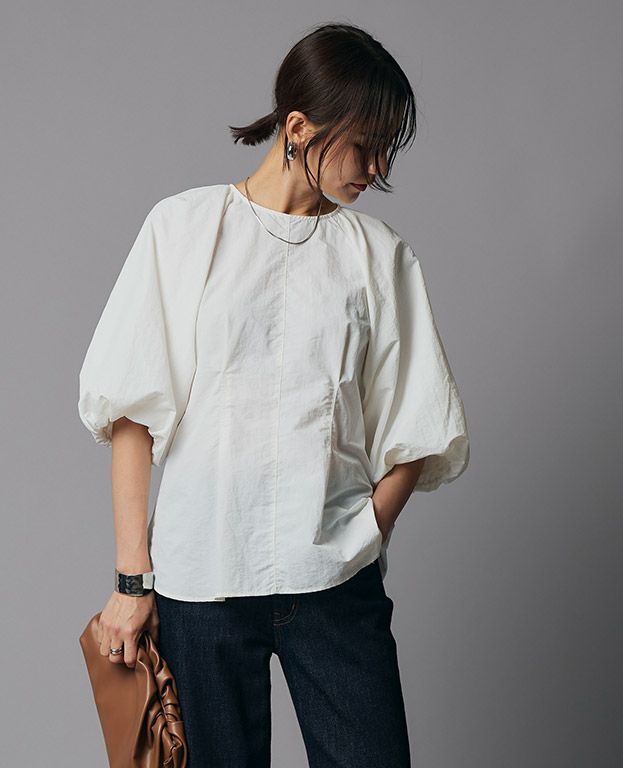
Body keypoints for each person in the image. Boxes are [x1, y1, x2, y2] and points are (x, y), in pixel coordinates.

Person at [77, 21, 470, 768]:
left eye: (389, 148)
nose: (379, 168)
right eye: (366, 145)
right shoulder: (184, 229)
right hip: (202, 583)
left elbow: (420, 422)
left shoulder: (378, 255)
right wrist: (132, 580)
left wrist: (364, 535)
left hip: (335, 583)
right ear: (297, 129)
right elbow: (130, 411)